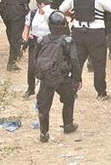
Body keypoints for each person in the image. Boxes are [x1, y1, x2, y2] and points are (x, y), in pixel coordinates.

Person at [60, 0, 111, 99]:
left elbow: (61, 9)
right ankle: (101, 93)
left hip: (78, 32)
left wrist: (72, 15)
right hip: (96, 34)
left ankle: (73, 89)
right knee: (99, 64)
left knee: (77, 62)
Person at [34, 10, 80, 143]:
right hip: (63, 78)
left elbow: (36, 59)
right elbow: (74, 61)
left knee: (43, 106)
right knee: (69, 99)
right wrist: (77, 79)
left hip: (46, 78)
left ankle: (44, 133)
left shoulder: (41, 40)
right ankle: (68, 125)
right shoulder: (67, 41)